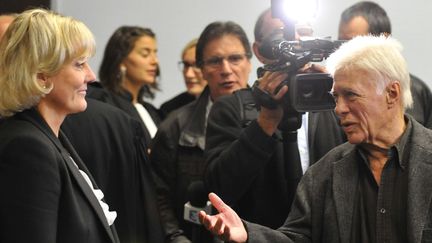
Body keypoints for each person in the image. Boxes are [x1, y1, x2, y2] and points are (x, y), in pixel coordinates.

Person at [200, 35, 432, 243]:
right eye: (335, 97)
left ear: (391, 93)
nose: (338, 109)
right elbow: (297, 238)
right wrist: (248, 234)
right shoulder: (323, 174)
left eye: (350, 95)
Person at [203, 8, 346, 229]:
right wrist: (265, 121)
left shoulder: (331, 103)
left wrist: (344, 89)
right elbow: (219, 190)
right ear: (259, 51)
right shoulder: (231, 109)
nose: (295, 43)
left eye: (303, 35)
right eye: (282, 37)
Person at [0, 9, 119, 242]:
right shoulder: (27, 148)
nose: (91, 76)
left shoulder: (48, 138)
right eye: (79, 64)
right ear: (41, 75)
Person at [150, 21, 253, 242]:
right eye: (215, 61)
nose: (226, 70)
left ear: (249, 61)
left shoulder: (270, 120)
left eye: (235, 58)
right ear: (202, 69)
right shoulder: (175, 127)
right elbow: (158, 197)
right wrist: (176, 238)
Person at [338, 1, 432, 128]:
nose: (345, 51)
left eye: (355, 43)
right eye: (340, 43)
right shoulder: (333, 94)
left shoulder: (418, 92)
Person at [93, 26, 162, 148]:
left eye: (155, 53)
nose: (155, 61)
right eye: (145, 54)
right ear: (121, 59)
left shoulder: (152, 112)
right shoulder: (103, 102)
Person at [159, 38, 207, 119]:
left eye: (196, 65)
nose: (188, 74)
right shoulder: (171, 109)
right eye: (186, 65)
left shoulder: (232, 104)